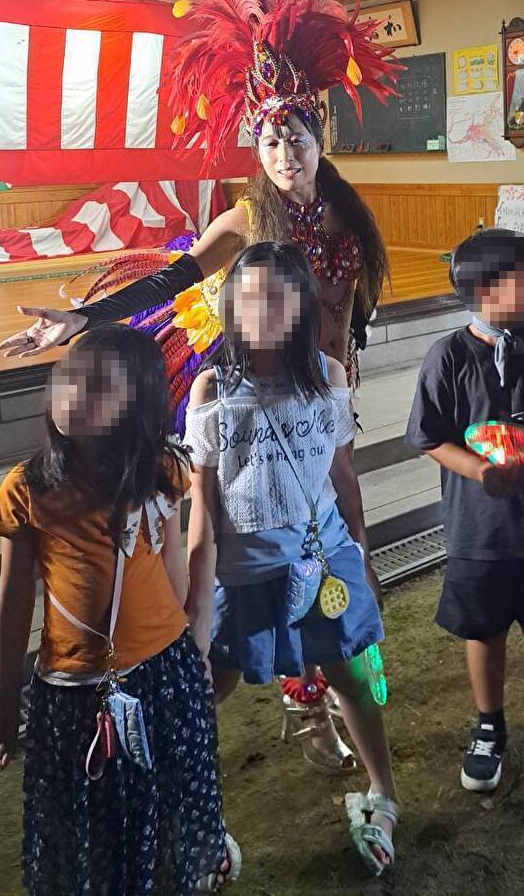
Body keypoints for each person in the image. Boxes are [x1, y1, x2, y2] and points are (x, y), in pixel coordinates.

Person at [0, 0, 403, 773]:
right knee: (238, 541)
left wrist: (346, 366)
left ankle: (327, 685)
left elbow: (354, 302)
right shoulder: (239, 215)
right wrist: (79, 322)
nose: (284, 151)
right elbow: (173, 280)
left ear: (317, 131)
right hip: (245, 393)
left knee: (325, 534)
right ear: (256, 151)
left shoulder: (349, 213)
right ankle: (220, 677)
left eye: (296, 133)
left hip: (322, 393)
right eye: (269, 140)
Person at [0, 325, 240, 895]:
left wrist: (191, 648)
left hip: (164, 678)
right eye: (69, 380)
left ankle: (177, 874)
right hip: (73, 689)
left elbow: (173, 574)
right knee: (87, 816)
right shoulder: (27, 489)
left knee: (169, 794)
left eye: (99, 387)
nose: (75, 396)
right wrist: (2, 698)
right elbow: (14, 596)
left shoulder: (163, 474)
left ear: (139, 403)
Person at [183, 240, 399, 878]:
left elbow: (343, 471)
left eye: (280, 296)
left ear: (304, 304)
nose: (264, 308)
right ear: (229, 305)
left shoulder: (328, 377)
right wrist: (198, 595)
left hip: (324, 562)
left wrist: (362, 550)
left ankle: (384, 794)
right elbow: (203, 502)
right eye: (250, 296)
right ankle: (195, 815)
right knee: (205, 693)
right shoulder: (211, 390)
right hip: (244, 573)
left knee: (353, 678)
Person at [405, 228, 524, 799]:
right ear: (486, 289)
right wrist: (482, 471)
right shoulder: (450, 356)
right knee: (481, 628)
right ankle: (488, 726)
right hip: (476, 530)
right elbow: (431, 436)